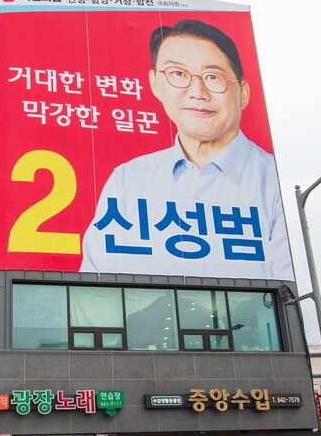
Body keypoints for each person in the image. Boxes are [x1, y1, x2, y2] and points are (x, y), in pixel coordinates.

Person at [80, 19, 293, 279]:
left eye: (213, 77)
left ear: (243, 93)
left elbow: (285, 290)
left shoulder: (275, 181)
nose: (197, 92)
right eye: (178, 74)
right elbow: (95, 283)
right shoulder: (127, 180)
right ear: (155, 84)